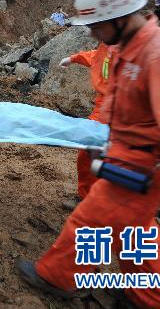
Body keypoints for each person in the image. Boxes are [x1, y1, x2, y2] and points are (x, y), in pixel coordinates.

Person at [17, 0, 160, 308]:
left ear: (119, 18)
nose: (92, 33)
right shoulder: (133, 49)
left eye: (97, 26)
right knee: (133, 226)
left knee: (92, 219)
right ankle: (145, 296)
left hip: (149, 161)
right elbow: (120, 98)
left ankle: (59, 276)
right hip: (132, 154)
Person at [59, 42, 113, 204]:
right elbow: (98, 56)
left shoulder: (136, 51)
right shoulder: (108, 42)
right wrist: (73, 58)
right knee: (86, 152)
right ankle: (86, 197)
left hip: (122, 114)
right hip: (103, 109)